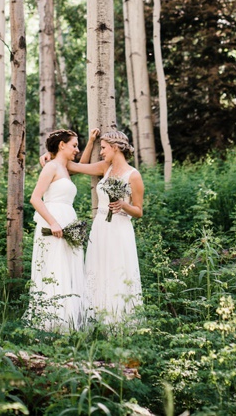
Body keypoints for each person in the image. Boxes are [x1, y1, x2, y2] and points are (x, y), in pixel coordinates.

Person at [62, 128, 145, 324]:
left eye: (104, 148)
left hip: (120, 228)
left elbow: (139, 211)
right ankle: (97, 318)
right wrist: (90, 141)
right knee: (97, 269)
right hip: (100, 227)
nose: (101, 152)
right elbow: (74, 167)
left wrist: (124, 205)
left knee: (117, 270)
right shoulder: (103, 168)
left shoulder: (133, 175)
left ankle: (119, 320)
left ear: (116, 148)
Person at [25, 129, 94, 331]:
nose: (77, 149)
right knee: (55, 268)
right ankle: (51, 321)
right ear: (61, 145)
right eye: (74, 145)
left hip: (68, 221)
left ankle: (69, 319)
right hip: (53, 223)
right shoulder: (51, 167)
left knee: (69, 268)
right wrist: (53, 223)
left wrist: (90, 142)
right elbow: (35, 198)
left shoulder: (65, 167)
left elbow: (83, 165)